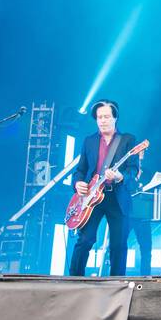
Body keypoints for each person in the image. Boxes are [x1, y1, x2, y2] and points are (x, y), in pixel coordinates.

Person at [68, 100, 141, 277]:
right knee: (85, 240)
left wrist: (119, 176)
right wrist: (77, 183)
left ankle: (117, 284)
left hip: (116, 197)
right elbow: (80, 170)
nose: (102, 120)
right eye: (99, 117)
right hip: (91, 197)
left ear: (115, 118)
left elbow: (133, 170)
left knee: (118, 244)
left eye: (107, 116)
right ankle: (73, 280)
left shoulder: (128, 140)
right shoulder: (89, 141)